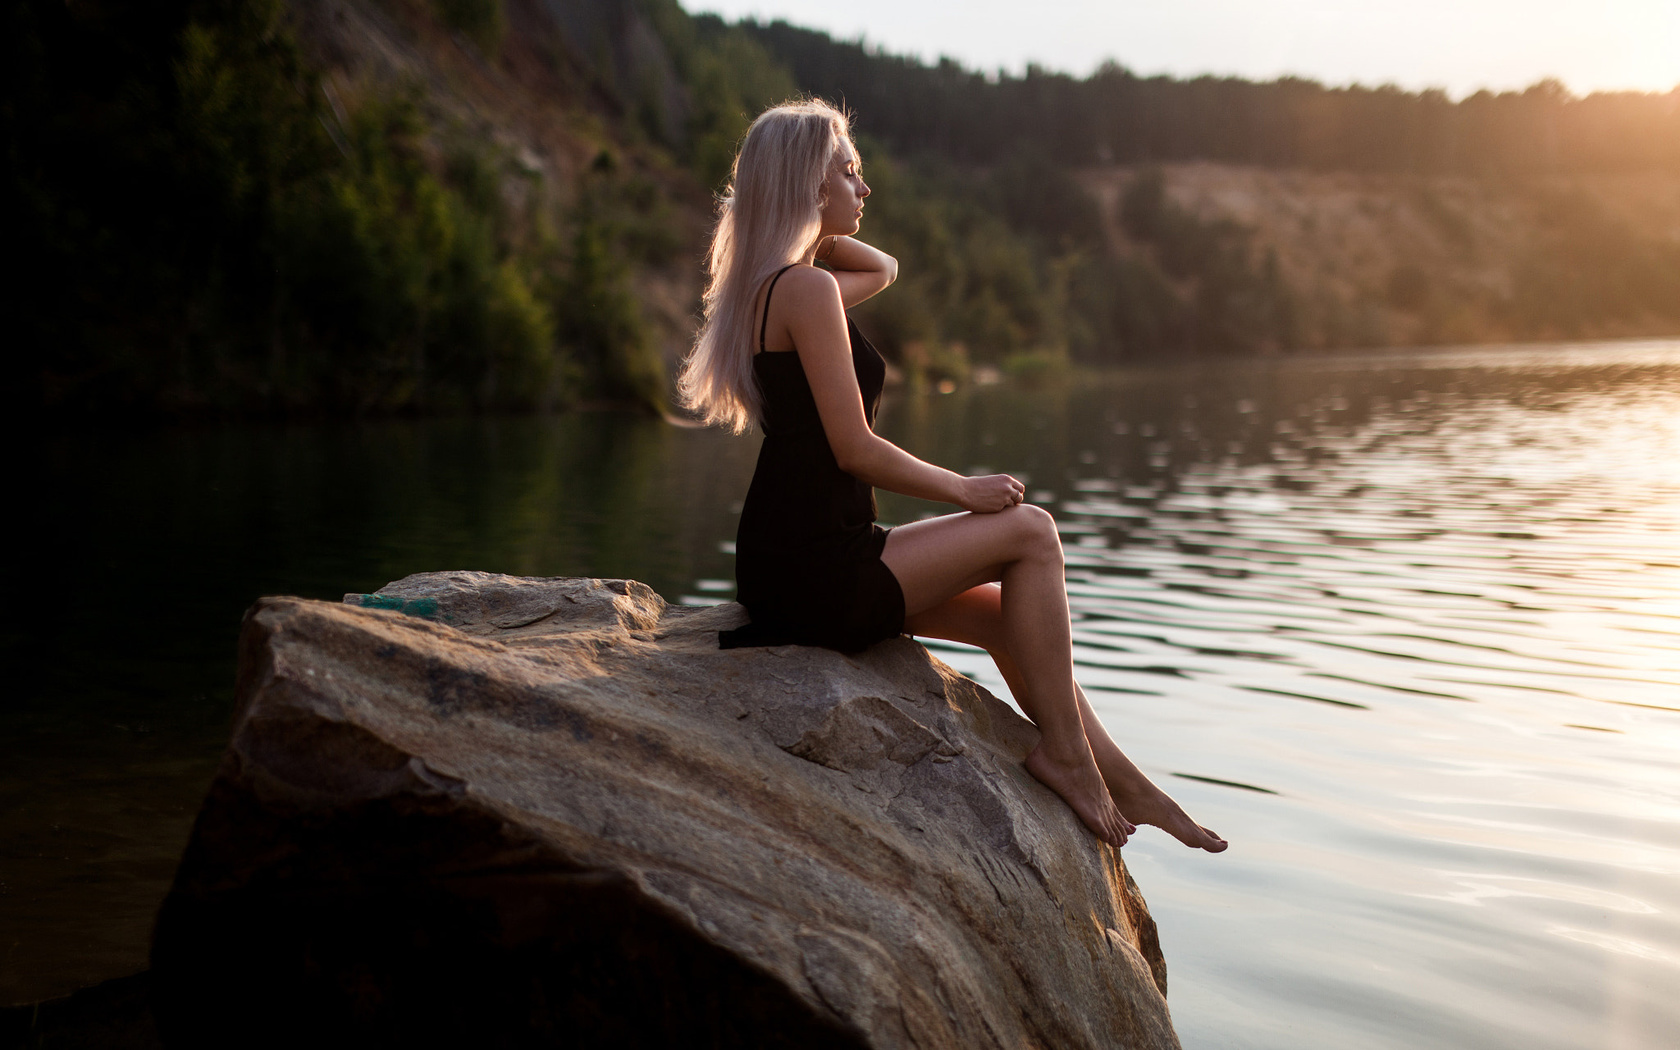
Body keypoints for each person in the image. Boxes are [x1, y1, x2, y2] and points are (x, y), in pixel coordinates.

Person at [680, 99, 1225, 853]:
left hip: (799, 556)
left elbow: (885, 267)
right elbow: (854, 449)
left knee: (1010, 615)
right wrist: (963, 490)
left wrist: (815, 229)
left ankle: (1119, 776)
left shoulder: (779, 288)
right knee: (1031, 534)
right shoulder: (802, 292)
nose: (864, 190)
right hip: (818, 568)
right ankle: (1066, 756)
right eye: (849, 171)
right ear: (809, 183)